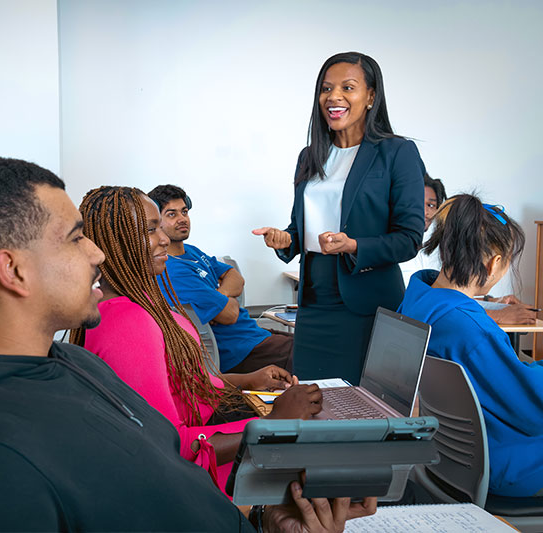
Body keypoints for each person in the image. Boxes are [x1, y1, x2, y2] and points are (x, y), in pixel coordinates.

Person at [0, 157, 375, 532]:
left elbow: (160, 475)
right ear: (15, 270)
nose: (96, 253)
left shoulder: (69, 366)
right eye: (75, 239)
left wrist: (269, 520)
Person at [71, 185, 321, 494]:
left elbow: (183, 386)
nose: (164, 239)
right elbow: (167, 446)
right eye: (151, 230)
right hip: (200, 475)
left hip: (212, 435)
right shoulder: (128, 322)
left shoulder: (138, 300)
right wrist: (275, 425)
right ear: (117, 242)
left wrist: (247, 380)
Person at [254, 51, 425, 385]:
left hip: (366, 304)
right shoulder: (310, 156)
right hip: (314, 299)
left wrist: (354, 245)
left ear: (371, 97)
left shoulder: (397, 153)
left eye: (348, 88)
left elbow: (409, 238)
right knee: (311, 398)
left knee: (363, 407)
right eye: (326, 88)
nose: (334, 97)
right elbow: (300, 230)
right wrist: (285, 239)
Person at [398, 194, 543, 497]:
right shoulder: (471, 330)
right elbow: (532, 409)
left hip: (446, 457)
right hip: (501, 461)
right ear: (494, 264)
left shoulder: (417, 299)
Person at [148, 184, 293, 373]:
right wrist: (224, 301)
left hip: (252, 335)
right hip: (239, 351)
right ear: (156, 222)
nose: (182, 219)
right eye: (172, 214)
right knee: (315, 354)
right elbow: (230, 315)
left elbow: (235, 277)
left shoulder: (191, 251)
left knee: (312, 342)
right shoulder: (172, 270)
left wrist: (220, 296)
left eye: (184, 211)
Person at [401, 176, 536, 326]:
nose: (425, 211)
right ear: (494, 263)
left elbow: (447, 298)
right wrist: (494, 316)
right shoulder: (405, 249)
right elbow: (446, 308)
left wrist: (490, 302)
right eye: (419, 203)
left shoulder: (419, 289)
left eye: (431, 205)